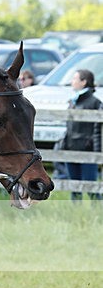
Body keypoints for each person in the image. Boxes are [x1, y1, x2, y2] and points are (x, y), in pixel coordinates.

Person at [63, 69, 101, 201]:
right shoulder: (72, 101)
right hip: (70, 147)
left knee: (92, 189)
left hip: (87, 149)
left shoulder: (95, 103)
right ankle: (75, 213)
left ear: (84, 82)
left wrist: (96, 151)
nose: (72, 82)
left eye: (75, 79)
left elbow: (97, 131)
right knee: (74, 188)